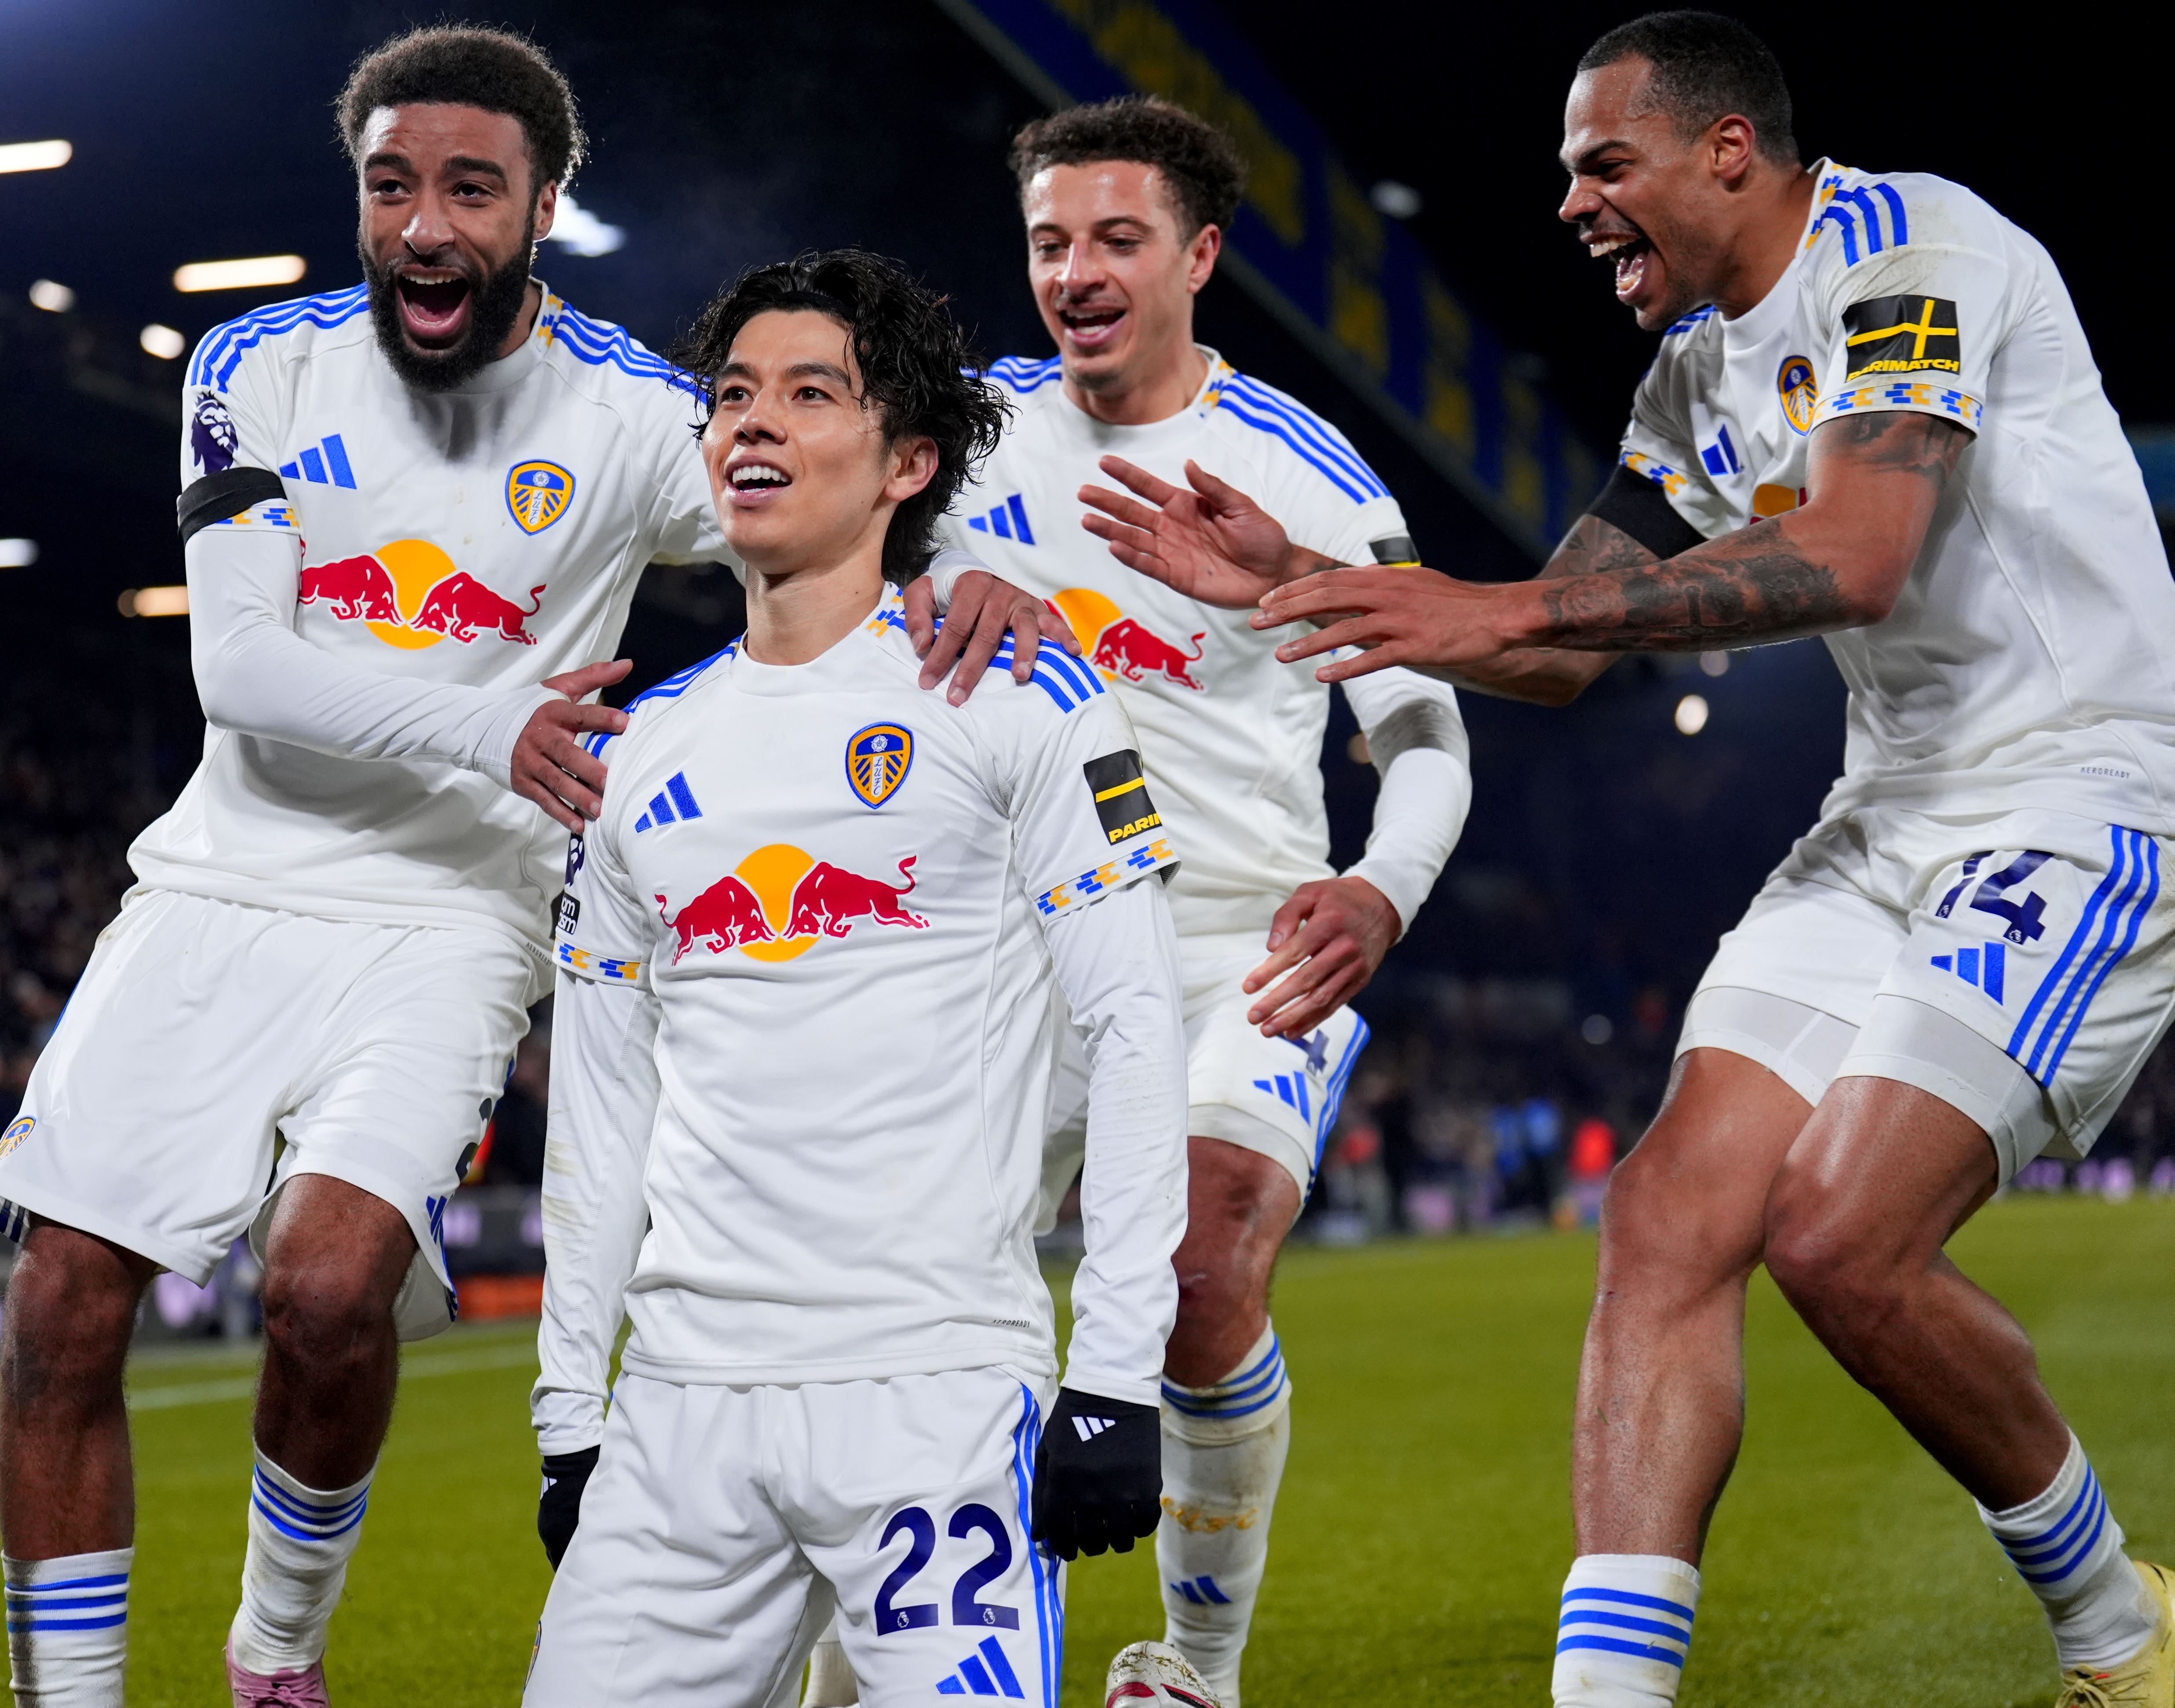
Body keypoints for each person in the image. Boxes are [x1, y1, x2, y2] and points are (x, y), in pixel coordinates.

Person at [1079, 13, 2175, 1704]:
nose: (1577, 206)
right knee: (1663, 1214)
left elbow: (1861, 552)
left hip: (2081, 793)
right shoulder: (1689, 373)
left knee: (1836, 1234)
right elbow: (1562, 658)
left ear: (1726, 150)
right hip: (1887, 811)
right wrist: (1301, 572)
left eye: (1606, 165)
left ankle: (2120, 1631)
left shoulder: (1909, 250)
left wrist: (1498, 599)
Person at [0, 26, 1051, 1708]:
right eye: (390, 185)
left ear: (543, 203)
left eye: (470, 189)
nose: (423, 226)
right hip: (217, 882)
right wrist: (492, 730)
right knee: (58, 1300)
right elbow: (238, 670)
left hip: (456, 915)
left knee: (329, 1289)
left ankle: (273, 1651)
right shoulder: (257, 365)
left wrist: (983, 563)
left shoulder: (632, 411)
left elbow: (833, 469)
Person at [799, 96, 1472, 1708]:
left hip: (1239, 934)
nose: (1076, 270)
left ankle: (1193, 1664)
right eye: (1049, 241)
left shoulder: (1301, 469)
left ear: (1200, 255)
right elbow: (802, 576)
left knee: (1202, 1256)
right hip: (1002, 940)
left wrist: (1379, 888)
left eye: (1116, 237)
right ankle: (857, 1656)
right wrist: (911, 583)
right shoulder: (957, 439)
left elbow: (1426, 735)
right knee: (898, 1305)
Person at [524, 250, 1190, 1706]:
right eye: (730, 397)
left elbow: (1138, 1026)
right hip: (679, 1412)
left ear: (907, 461)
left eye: (806, 394)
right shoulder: (639, 749)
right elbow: (602, 1099)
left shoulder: (1017, 693)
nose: (749, 426)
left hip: (935, 1393)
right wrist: (573, 1401)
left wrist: (1118, 1371)